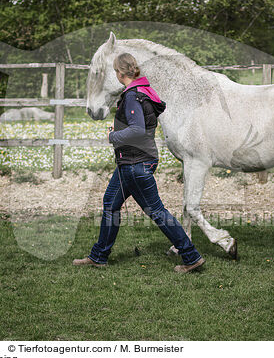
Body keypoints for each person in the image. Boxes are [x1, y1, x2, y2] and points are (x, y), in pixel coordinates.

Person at [73, 53, 205, 273]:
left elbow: (137, 130)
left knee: (157, 211)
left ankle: (191, 257)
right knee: (110, 204)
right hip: (131, 163)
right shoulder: (145, 91)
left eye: (115, 71)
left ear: (119, 72)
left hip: (136, 164)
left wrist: (113, 136)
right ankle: (99, 256)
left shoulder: (133, 96)